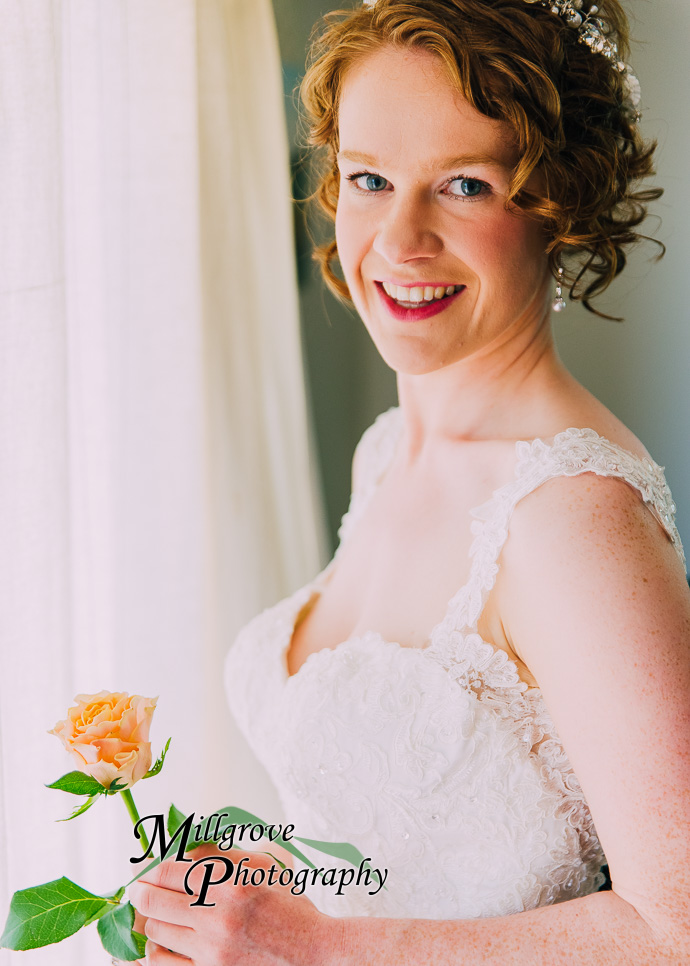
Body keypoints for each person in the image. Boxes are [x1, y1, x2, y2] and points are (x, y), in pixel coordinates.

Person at [129, 1, 690, 962]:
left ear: (560, 203)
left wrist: (319, 950)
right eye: (370, 179)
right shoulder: (388, 449)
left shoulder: (568, 518)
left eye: (465, 184)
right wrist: (265, 904)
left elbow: (675, 922)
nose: (399, 238)